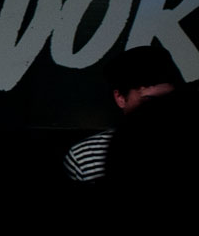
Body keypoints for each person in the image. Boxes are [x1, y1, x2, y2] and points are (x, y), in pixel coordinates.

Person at [63, 45, 179, 182]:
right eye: (148, 101)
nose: (161, 109)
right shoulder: (86, 157)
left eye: (169, 99)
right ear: (121, 98)